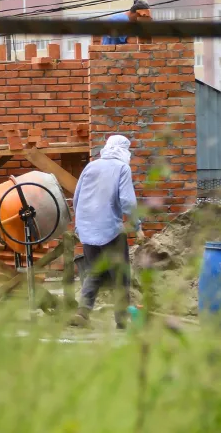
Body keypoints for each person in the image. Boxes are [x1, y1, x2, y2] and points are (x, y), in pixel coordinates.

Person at [70, 135, 140, 329]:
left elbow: (77, 198)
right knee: (120, 276)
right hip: (110, 231)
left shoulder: (91, 166)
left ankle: (82, 313)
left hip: (87, 230)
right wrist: (137, 226)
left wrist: (81, 224)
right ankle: (122, 320)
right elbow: (128, 202)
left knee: (94, 271)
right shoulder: (122, 168)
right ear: (124, 150)